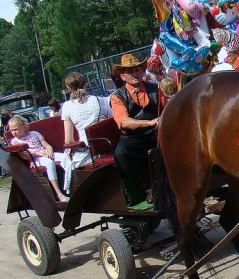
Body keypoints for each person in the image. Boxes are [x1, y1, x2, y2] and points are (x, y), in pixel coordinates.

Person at [110, 53, 168, 210]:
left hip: (156, 133)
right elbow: (124, 122)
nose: (135, 74)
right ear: (123, 76)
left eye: (137, 70)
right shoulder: (117, 97)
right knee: (121, 153)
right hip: (133, 138)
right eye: (130, 72)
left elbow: (167, 109)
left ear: (142, 72)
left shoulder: (156, 89)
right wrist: (150, 122)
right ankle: (148, 185)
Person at [60, 72, 113, 193]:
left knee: (66, 159)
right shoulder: (101, 100)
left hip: (88, 151)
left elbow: (68, 140)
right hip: (107, 146)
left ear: (68, 90)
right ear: (86, 85)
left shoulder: (67, 107)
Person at [7, 115, 67, 202]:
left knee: (65, 157)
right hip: (34, 159)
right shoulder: (15, 141)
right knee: (49, 163)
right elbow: (25, 156)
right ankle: (59, 194)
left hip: (45, 153)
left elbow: (47, 146)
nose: (14, 132)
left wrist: (50, 151)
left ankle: (69, 184)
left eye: (15, 129)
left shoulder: (34, 134)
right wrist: (40, 154)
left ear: (24, 127)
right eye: (11, 130)